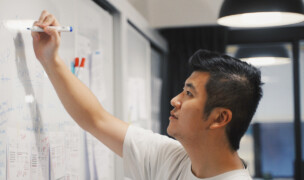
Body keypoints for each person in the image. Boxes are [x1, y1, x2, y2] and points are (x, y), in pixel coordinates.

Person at [32, 10, 262, 180]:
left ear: (220, 118)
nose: (175, 100)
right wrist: (50, 60)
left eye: (189, 94)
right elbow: (95, 119)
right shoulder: (171, 158)